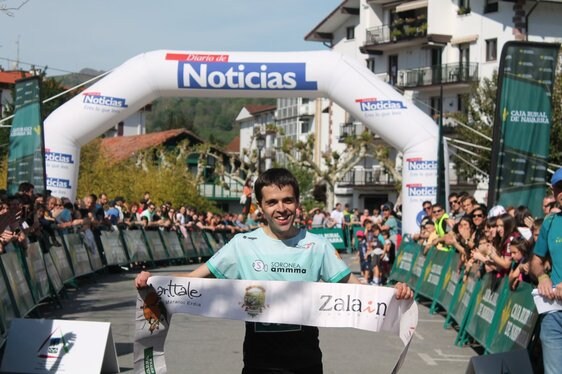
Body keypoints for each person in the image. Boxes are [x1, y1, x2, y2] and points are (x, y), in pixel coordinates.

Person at [135, 168, 412, 374]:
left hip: (306, 360)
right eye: (272, 202)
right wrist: (154, 282)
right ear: (260, 208)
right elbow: (194, 281)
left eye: (287, 200)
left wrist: (393, 294)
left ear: (297, 202)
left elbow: (355, 288)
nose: (281, 208)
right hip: (260, 361)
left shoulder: (317, 246)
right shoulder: (242, 244)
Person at [532, 168, 562, 374]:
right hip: (554, 311)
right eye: (559, 188)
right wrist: (542, 276)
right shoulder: (550, 222)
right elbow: (536, 260)